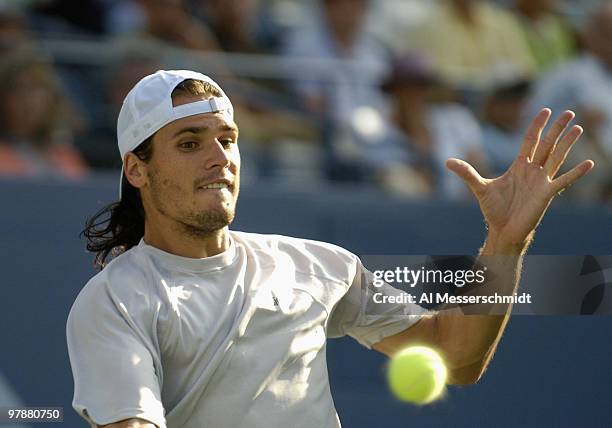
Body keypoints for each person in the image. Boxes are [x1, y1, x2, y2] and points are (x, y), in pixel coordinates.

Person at [67, 70, 593, 428]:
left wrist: (506, 241)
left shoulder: (322, 267)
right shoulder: (115, 301)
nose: (219, 158)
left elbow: (454, 356)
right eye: (189, 143)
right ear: (137, 169)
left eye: (227, 139)